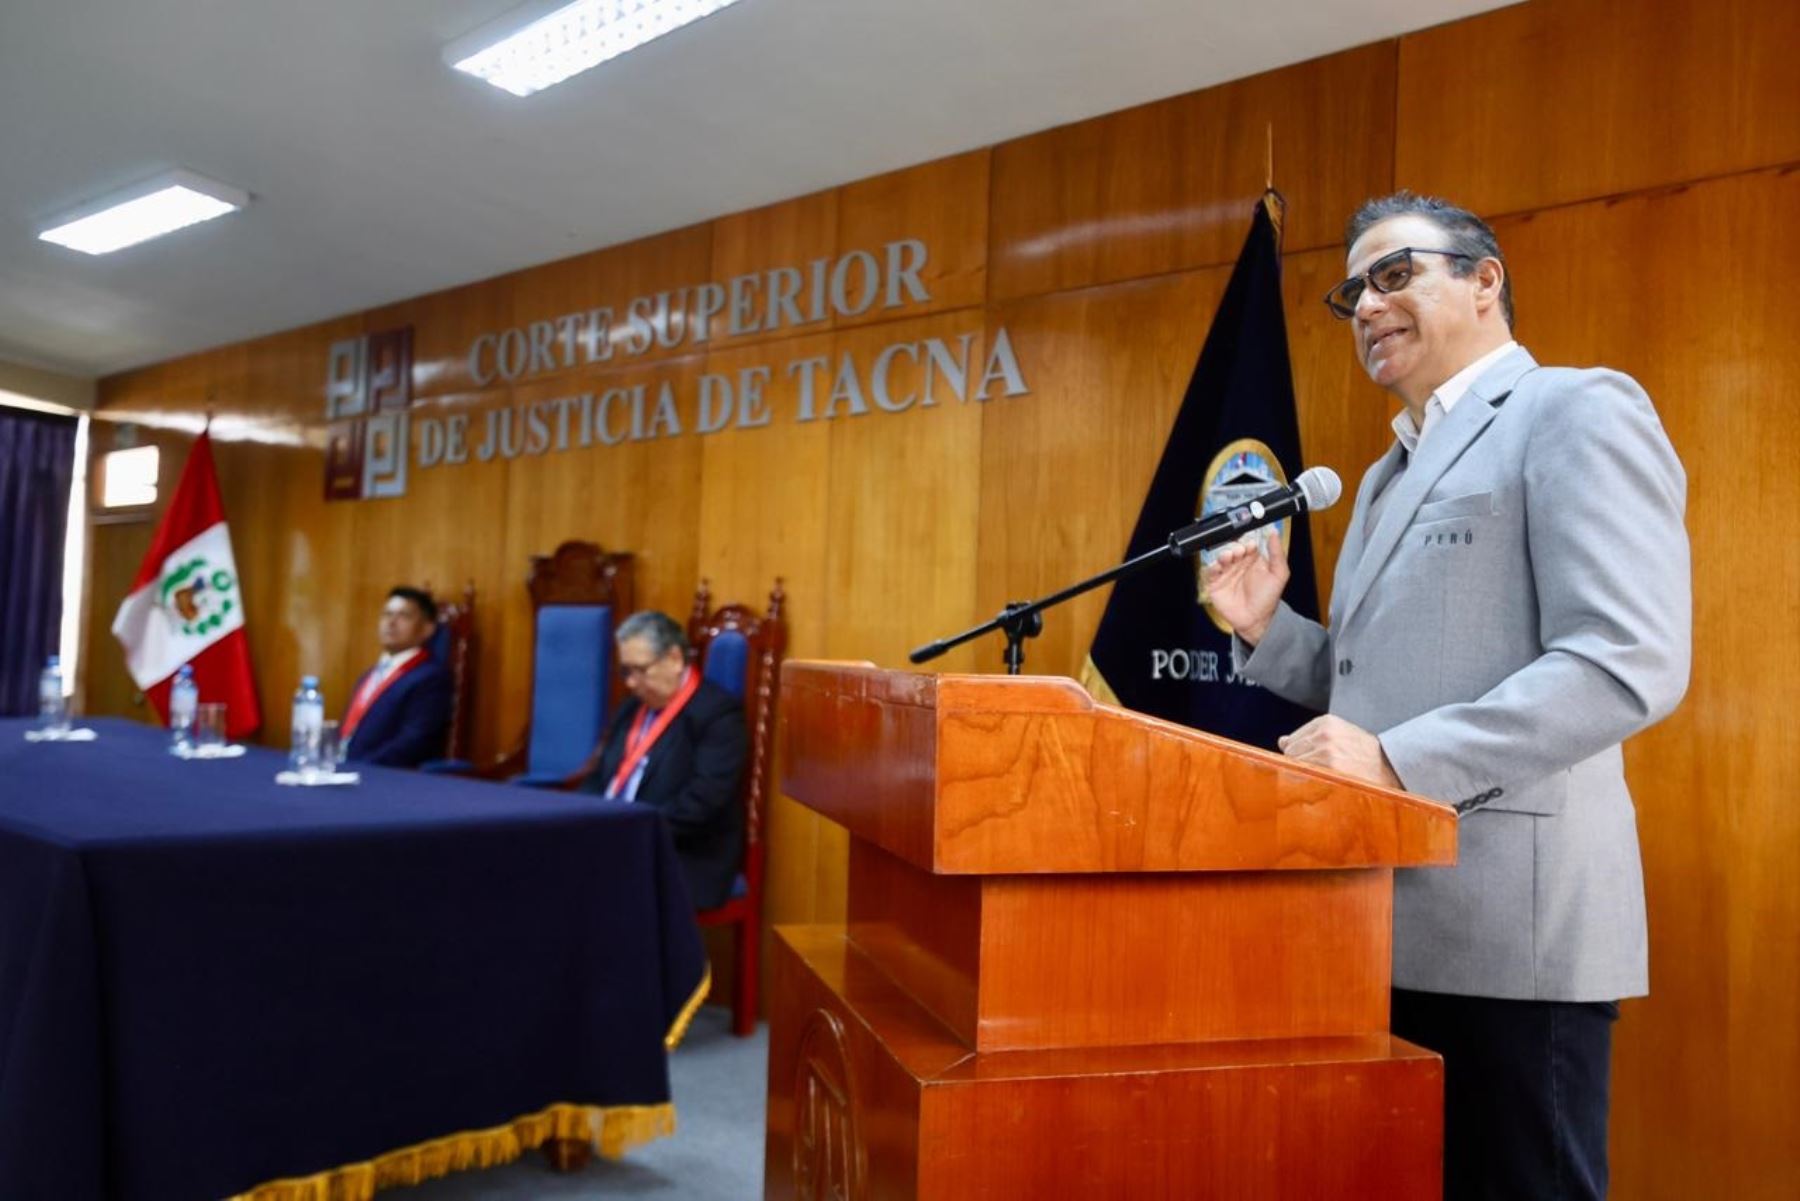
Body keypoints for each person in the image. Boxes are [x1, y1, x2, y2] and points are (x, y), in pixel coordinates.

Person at [1203, 192, 1690, 1200]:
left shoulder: (1575, 408)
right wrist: (1266, 630)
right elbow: (1373, 684)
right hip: (1379, 922)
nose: (1368, 307)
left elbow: (1624, 659)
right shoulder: (1386, 473)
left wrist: (1397, 761)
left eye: (1395, 275)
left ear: (1483, 281)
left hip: (1512, 938)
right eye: (1353, 293)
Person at [579, 610, 747, 909]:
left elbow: (702, 802)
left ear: (674, 658)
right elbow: (600, 777)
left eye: (640, 670)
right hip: (617, 838)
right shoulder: (631, 708)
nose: (631, 683)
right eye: (626, 671)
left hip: (680, 852)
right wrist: (579, 817)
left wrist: (632, 831)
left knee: (588, 887)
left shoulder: (717, 715)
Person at [340, 586, 453, 768]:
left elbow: (414, 742)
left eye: (404, 616)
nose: (391, 622)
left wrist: (362, 767)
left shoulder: (431, 678)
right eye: (387, 614)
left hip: (381, 774)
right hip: (344, 768)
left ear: (427, 629)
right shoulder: (369, 675)